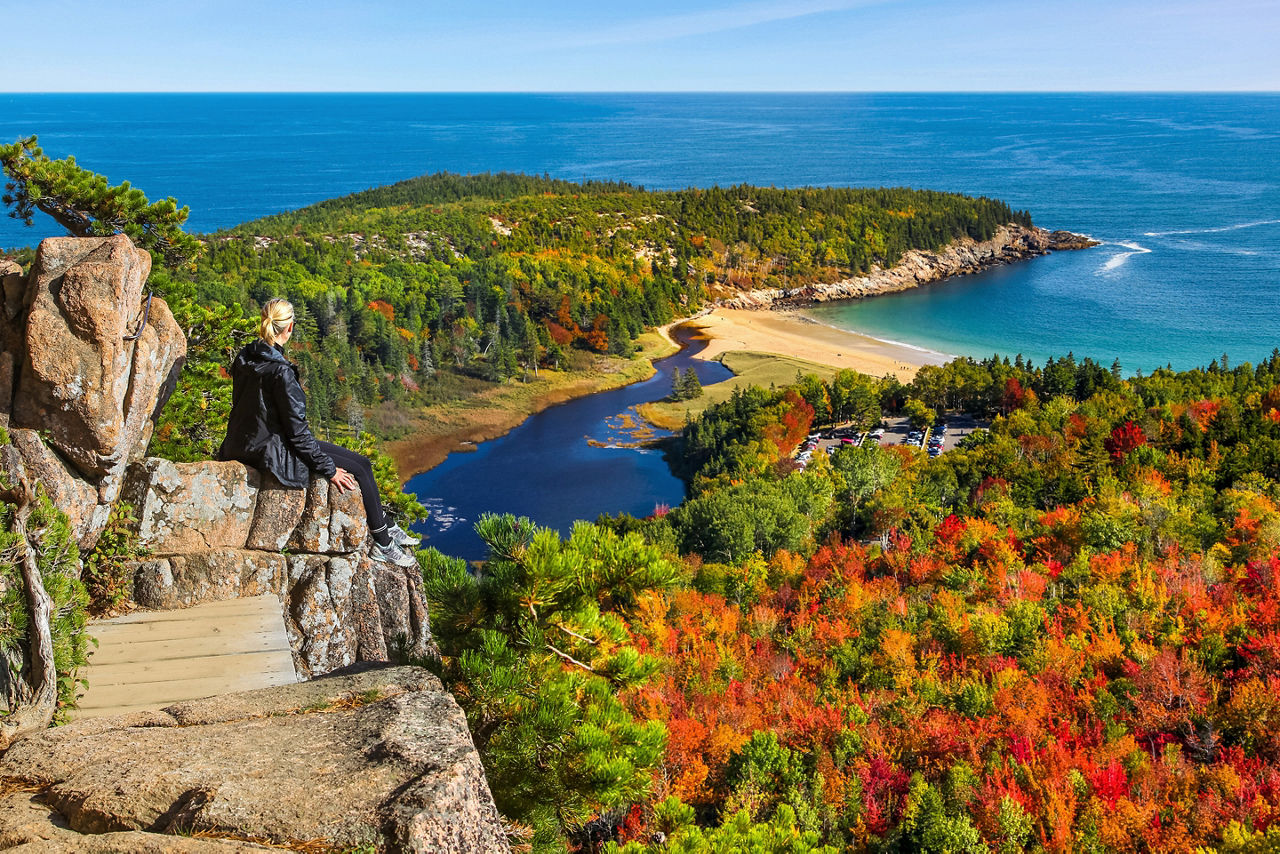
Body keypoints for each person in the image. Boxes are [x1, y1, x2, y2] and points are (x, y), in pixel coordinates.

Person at [218, 298, 419, 568]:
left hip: (243, 443)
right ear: (289, 328)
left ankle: (385, 525)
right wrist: (329, 469)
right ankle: (382, 543)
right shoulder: (281, 372)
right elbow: (298, 434)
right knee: (360, 466)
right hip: (273, 448)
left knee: (358, 463)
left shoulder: (246, 357)